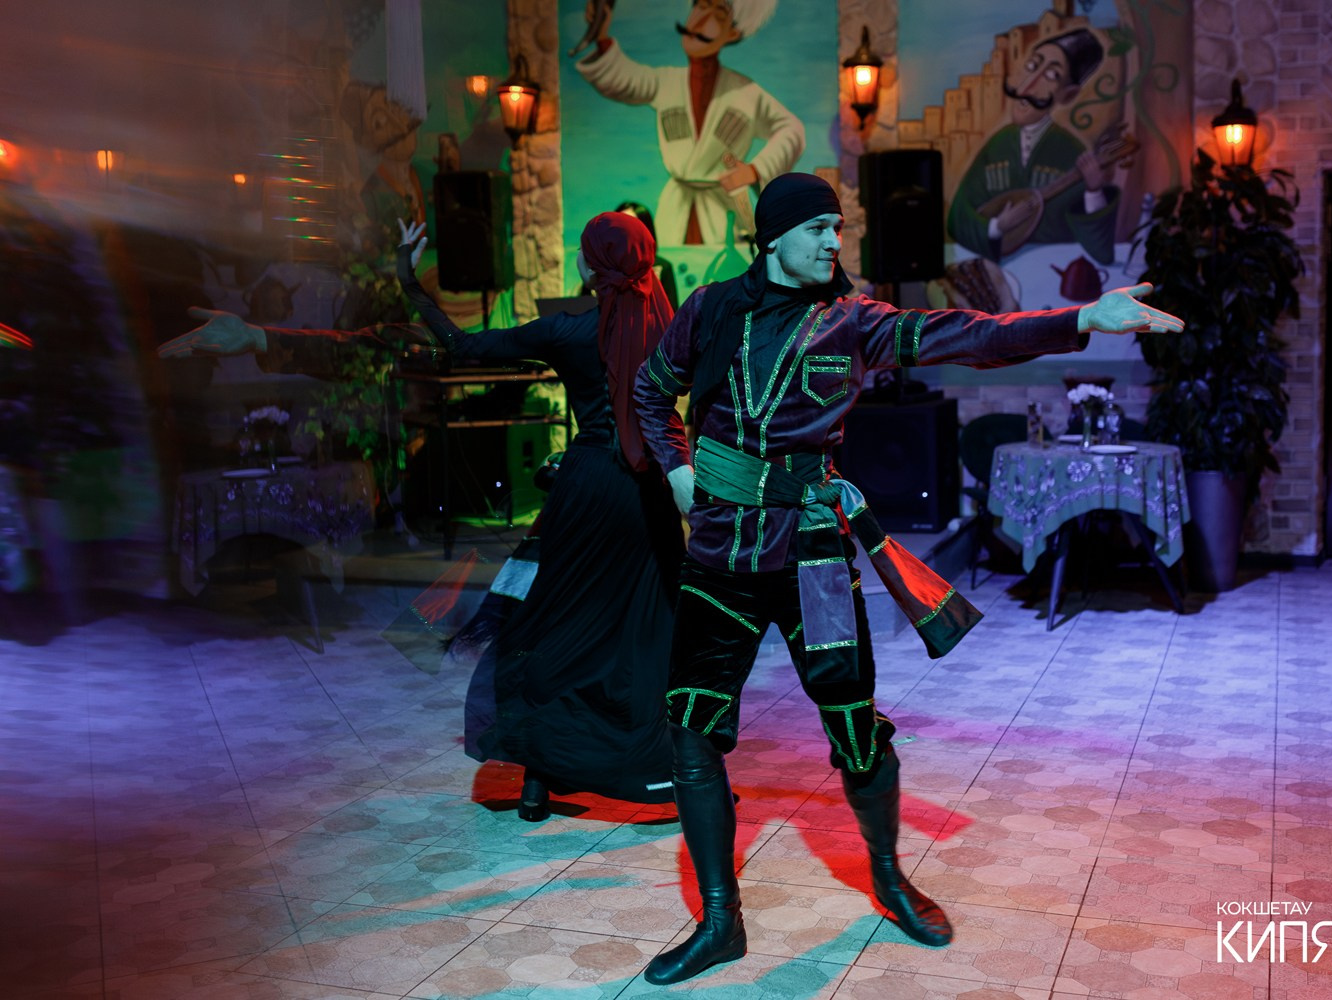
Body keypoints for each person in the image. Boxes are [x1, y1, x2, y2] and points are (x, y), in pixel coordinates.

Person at [632, 172, 1183, 984]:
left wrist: (1080, 320)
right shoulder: (712, 311)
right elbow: (651, 392)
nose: (834, 241)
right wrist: (678, 471)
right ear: (773, 236)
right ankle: (720, 921)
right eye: (818, 227)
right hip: (719, 557)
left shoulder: (855, 322)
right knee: (691, 729)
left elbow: (973, 335)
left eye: (838, 227)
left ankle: (889, 878)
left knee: (855, 731)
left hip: (815, 558)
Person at [160, 212, 686, 820]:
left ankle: (539, 778)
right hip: (648, 489)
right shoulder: (672, 330)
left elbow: (458, 346)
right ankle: (650, 765)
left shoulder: (568, 331)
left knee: (548, 628)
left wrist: (409, 280)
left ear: (593, 266)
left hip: (587, 489)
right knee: (648, 630)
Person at [575, 0, 804, 246]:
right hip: (676, 209)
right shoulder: (666, 82)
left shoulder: (746, 93)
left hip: (722, 210)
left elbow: (792, 129)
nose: (701, 20)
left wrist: (754, 171)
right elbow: (624, 78)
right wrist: (601, 35)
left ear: (733, 32)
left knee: (727, 264)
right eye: (701, 6)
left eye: (718, 13)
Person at [947, 27, 1122, 265]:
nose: (1027, 86)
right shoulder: (998, 144)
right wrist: (996, 227)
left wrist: (1094, 191)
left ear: (1068, 95)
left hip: (1053, 273)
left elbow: (1100, 251)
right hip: (998, 271)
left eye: (1051, 75)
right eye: (1031, 66)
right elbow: (959, 218)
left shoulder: (1071, 151)